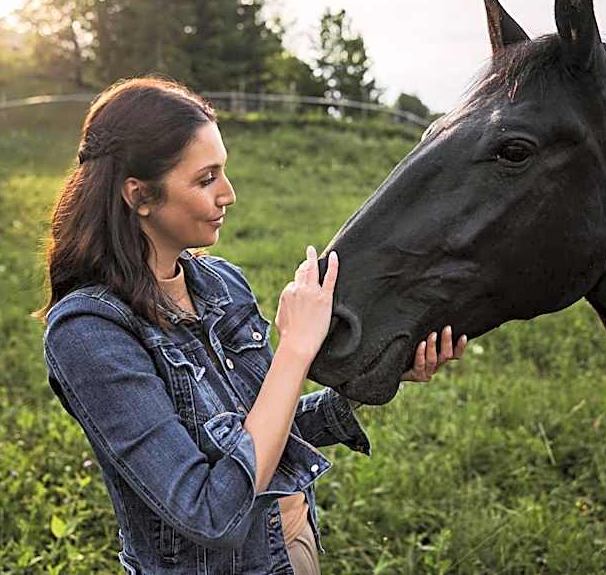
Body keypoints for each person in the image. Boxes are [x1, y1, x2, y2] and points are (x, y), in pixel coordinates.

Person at [34, 77, 468, 575]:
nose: (229, 194)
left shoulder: (221, 284)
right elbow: (209, 511)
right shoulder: (89, 332)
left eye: (225, 172)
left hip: (293, 548)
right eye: (205, 179)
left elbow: (258, 431)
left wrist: (382, 373)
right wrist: (294, 351)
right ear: (139, 195)